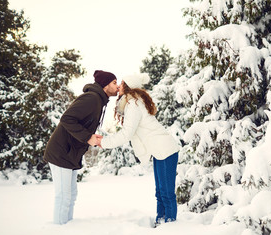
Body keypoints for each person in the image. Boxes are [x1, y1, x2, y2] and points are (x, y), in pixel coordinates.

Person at [97, 73, 180, 226]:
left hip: (165, 149)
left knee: (166, 193)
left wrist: (105, 142)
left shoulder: (133, 104)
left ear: (128, 86)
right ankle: (160, 222)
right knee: (160, 193)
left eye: (121, 83)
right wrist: (105, 140)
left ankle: (170, 226)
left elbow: (126, 134)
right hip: (159, 151)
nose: (119, 86)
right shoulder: (132, 103)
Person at [43, 70, 118, 225]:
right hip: (61, 152)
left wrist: (91, 137)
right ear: (105, 85)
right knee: (63, 196)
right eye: (114, 83)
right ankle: (58, 231)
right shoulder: (91, 98)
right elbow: (67, 118)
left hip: (71, 154)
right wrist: (88, 137)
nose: (117, 87)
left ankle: (67, 227)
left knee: (71, 195)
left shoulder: (99, 101)